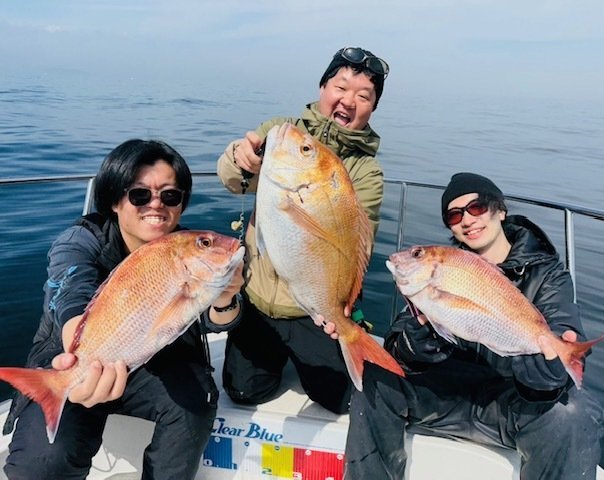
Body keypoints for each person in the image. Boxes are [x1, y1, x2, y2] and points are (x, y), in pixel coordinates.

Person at [3, 139, 244, 480]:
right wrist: (78, 365)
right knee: (42, 463)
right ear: (115, 200)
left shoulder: (187, 248)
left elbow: (216, 322)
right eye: (140, 195)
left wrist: (225, 297)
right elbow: (70, 294)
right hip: (73, 356)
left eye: (170, 196)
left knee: (196, 403)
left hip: (154, 359)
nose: (156, 204)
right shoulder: (80, 240)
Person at [343, 172, 604, 479]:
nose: (467, 220)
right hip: (446, 395)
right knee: (375, 376)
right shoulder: (444, 268)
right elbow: (398, 347)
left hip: (509, 404)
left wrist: (545, 365)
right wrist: (420, 339)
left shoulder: (548, 275)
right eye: (454, 215)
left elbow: (558, 350)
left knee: (574, 413)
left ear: (500, 210)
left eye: (477, 207)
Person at [216, 46, 389, 414]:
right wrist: (239, 157)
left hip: (312, 310)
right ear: (322, 87)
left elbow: (359, 243)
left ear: (373, 108)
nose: (348, 101)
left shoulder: (366, 172)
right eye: (340, 87)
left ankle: (336, 343)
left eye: (364, 96)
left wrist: (340, 308)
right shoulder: (283, 133)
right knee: (243, 393)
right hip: (258, 301)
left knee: (342, 400)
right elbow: (233, 179)